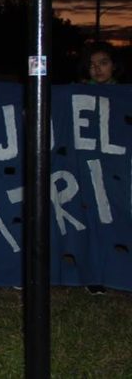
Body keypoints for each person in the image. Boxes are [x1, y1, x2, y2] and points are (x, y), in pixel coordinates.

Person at [77, 40, 122, 296]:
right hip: (90, 168)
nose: (97, 69)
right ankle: (94, 275)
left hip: (118, 168)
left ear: (114, 66)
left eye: (103, 63)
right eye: (92, 65)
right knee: (92, 219)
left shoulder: (124, 95)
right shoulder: (79, 95)